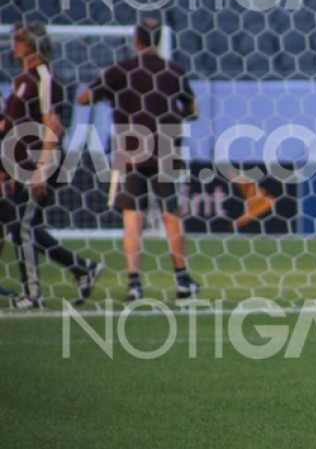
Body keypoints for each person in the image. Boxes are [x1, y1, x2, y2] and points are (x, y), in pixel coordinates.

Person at [77, 18, 199, 302]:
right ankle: (183, 281)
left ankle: (134, 284)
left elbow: (83, 98)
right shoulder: (174, 70)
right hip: (165, 148)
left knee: (133, 217)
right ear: (157, 40)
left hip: (132, 149)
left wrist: (112, 97)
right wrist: (170, 117)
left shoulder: (121, 71)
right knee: (172, 214)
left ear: (136, 41)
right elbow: (193, 110)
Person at [1, 22, 103, 308]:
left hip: (36, 165)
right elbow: (11, 126)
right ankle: (82, 269)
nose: (14, 44)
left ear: (32, 43)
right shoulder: (21, 80)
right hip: (17, 164)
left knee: (22, 227)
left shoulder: (44, 79)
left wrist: (41, 170)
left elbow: (53, 127)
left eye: (19, 39)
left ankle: (33, 294)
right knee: (20, 225)